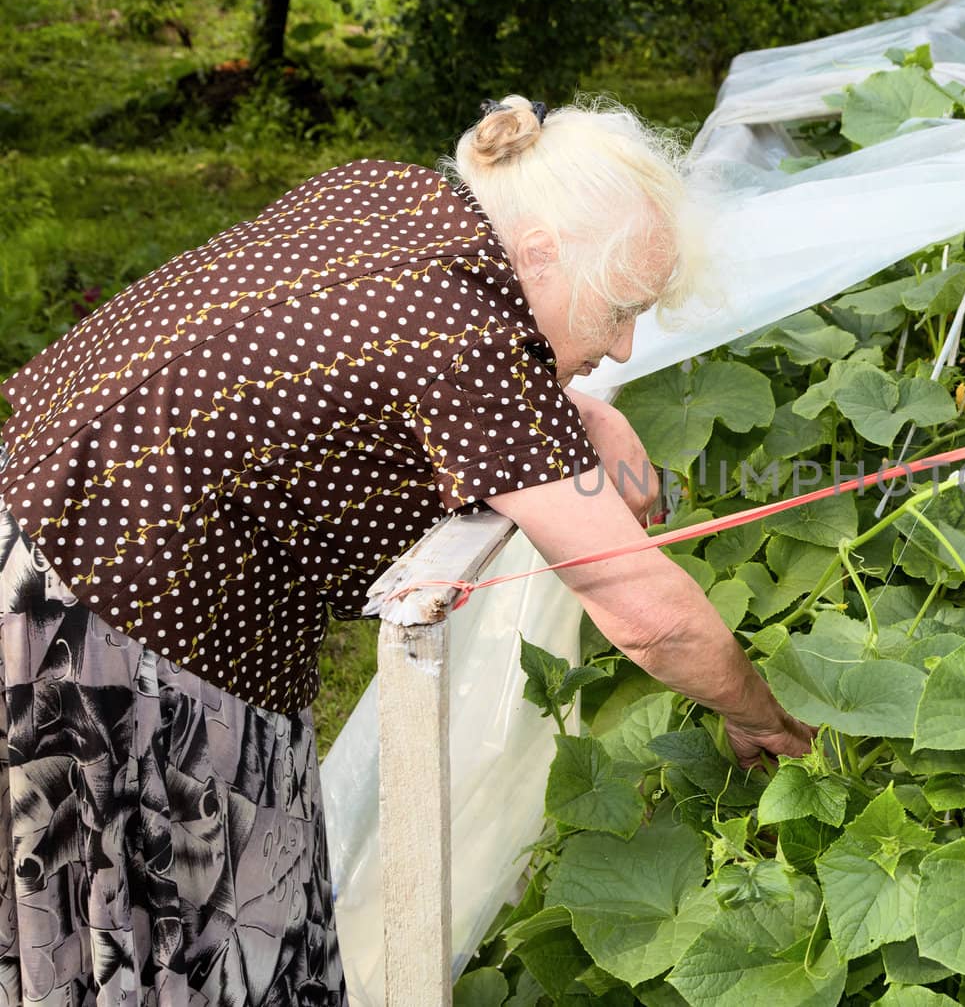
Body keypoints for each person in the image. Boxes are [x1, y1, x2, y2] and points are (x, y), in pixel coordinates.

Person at [0, 95, 814, 1005]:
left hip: (39, 540)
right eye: (621, 308)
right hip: (129, 628)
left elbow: (380, 347)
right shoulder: (469, 343)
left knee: (81, 911)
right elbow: (647, 612)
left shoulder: (396, 199)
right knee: (188, 942)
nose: (625, 343)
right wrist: (766, 719)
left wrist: (578, 409)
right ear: (542, 252)